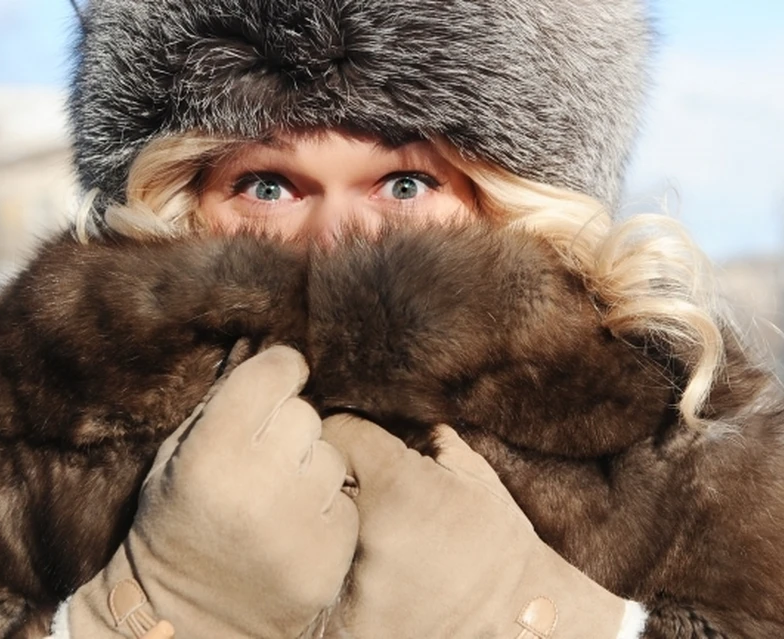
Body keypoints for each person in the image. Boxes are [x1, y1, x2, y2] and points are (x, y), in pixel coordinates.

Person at [47, 1, 679, 637]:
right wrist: (156, 612)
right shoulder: (56, 403)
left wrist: (527, 615)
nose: (336, 244)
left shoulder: (655, 420)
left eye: (405, 184)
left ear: (504, 194)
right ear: (183, 199)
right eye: (269, 186)